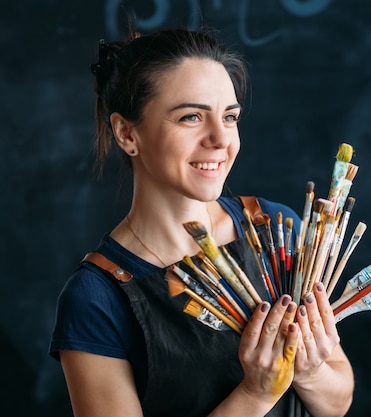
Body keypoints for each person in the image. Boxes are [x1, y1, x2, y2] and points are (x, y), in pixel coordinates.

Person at [49, 28, 354, 417]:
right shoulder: (96, 297)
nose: (220, 139)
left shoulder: (278, 228)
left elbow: (337, 402)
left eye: (229, 117)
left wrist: (309, 373)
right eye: (191, 117)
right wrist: (255, 394)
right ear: (127, 133)